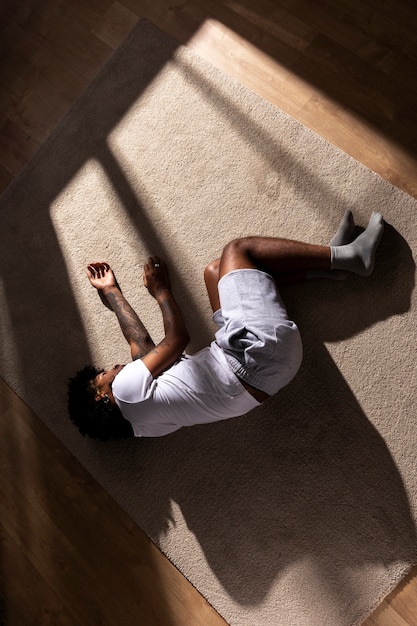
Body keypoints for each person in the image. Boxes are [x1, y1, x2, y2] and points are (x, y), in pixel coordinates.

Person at [68, 211, 384, 440]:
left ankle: (329, 268)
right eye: (103, 373)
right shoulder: (125, 391)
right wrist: (160, 289)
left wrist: (111, 291)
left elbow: (140, 346)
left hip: (259, 374)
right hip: (257, 358)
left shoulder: (141, 426)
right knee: (237, 251)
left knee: (216, 272)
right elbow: (177, 338)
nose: (113, 366)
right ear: (100, 394)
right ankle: (351, 257)